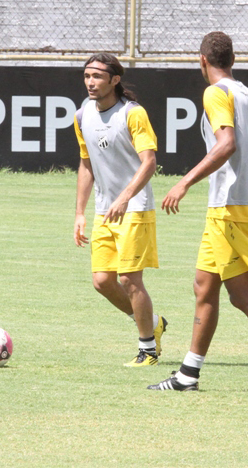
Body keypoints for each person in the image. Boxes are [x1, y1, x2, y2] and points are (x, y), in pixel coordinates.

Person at [148, 32, 248, 396]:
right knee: (204, 286)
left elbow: (226, 145)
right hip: (243, 206)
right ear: (233, 60)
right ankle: (188, 375)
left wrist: (184, 182)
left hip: (231, 207)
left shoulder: (215, 93)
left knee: (242, 294)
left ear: (202, 60)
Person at [74, 53, 167, 367]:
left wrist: (126, 197)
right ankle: (152, 322)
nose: (91, 82)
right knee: (102, 281)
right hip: (104, 211)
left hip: (135, 208)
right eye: (87, 76)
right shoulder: (82, 115)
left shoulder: (133, 113)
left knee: (129, 279)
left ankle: (148, 349)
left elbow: (149, 162)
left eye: (98, 76)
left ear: (115, 80)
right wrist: (80, 213)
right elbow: (86, 164)